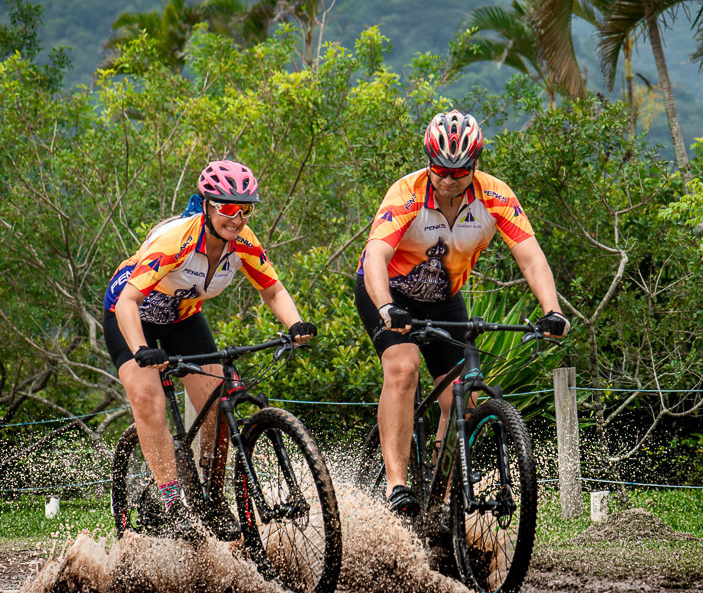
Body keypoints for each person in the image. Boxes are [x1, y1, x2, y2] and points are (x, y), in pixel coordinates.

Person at [355, 110, 570, 515]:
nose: (448, 178)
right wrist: (385, 306)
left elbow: (531, 258)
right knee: (403, 367)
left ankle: (440, 493)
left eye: (459, 170)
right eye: (440, 168)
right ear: (428, 160)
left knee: (464, 395)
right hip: (387, 292)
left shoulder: (496, 196)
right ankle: (397, 486)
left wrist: (552, 311)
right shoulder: (406, 192)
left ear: (475, 163)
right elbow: (378, 255)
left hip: (443, 298)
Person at [104, 160, 316, 538]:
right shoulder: (178, 239)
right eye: (227, 208)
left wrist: (295, 324)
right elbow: (127, 302)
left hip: (182, 317)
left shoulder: (245, 242)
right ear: (207, 205)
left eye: (245, 209)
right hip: (132, 313)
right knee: (148, 397)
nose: (236, 219)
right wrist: (140, 349)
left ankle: (211, 498)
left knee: (217, 398)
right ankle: (172, 503)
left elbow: (272, 290)